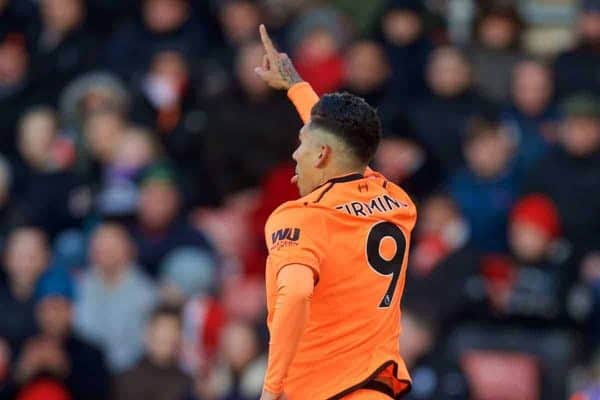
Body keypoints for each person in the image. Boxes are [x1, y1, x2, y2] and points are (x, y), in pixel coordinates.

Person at [254, 25, 416, 399]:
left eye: (302, 145)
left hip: (320, 391)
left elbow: (294, 294)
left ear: (322, 155)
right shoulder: (398, 202)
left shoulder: (299, 218)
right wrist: (295, 84)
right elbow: (344, 141)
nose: (296, 155)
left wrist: (271, 389)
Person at [74, 223, 157, 372]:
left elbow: (144, 344)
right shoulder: (78, 286)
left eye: (112, 246)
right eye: (100, 246)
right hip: (86, 370)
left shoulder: (147, 293)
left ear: (129, 250)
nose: (105, 251)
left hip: (131, 372)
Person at [113, 305, 190, 400]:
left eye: (172, 330)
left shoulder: (187, 385)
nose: (166, 336)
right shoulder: (125, 380)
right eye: (161, 330)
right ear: (146, 334)